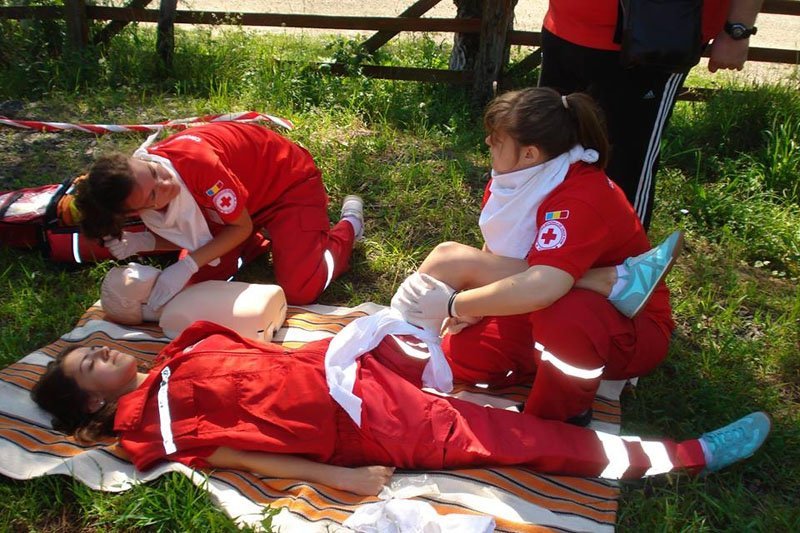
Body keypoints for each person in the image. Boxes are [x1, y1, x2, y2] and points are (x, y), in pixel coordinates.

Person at [31, 316, 770, 496]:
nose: (101, 351)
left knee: (441, 320)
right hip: (363, 423)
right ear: (92, 397)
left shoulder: (179, 352)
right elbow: (228, 454)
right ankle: (683, 455)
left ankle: (595, 305)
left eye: (93, 346)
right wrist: (342, 481)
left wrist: (357, 342)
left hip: (353, 371)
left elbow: (277, 354)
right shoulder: (140, 424)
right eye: (90, 362)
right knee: (500, 436)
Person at [393, 87, 681, 425]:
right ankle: (603, 281)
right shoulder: (520, 178)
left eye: (497, 139)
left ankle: (561, 413)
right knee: (463, 356)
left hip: (626, 325)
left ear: (529, 153)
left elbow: (545, 286)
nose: (488, 143)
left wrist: (457, 304)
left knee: (564, 311)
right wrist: (472, 307)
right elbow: (500, 252)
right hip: (546, 299)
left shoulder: (581, 198)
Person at [74, 121, 364, 307]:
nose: (165, 183)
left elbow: (237, 226)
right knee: (191, 290)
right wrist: (143, 243)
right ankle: (257, 243)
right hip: (242, 204)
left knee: (300, 289)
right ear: (135, 211)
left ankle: (349, 225)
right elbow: (189, 231)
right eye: (152, 195)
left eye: (154, 170)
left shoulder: (199, 166)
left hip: (287, 184)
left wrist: (188, 264)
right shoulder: (138, 188)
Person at [539, 0, 763, 229]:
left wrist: (738, 30)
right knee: (547, 149)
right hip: (565, 26)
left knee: (626, 165)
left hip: (654, 38)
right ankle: (545, 247)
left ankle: (622, 259)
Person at [100, 262, 287, 341]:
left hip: (266, 305)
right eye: (127, 272)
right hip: (261, 317)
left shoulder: (185, 288)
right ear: (127, 303)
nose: (133, 265)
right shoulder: (172, 318)